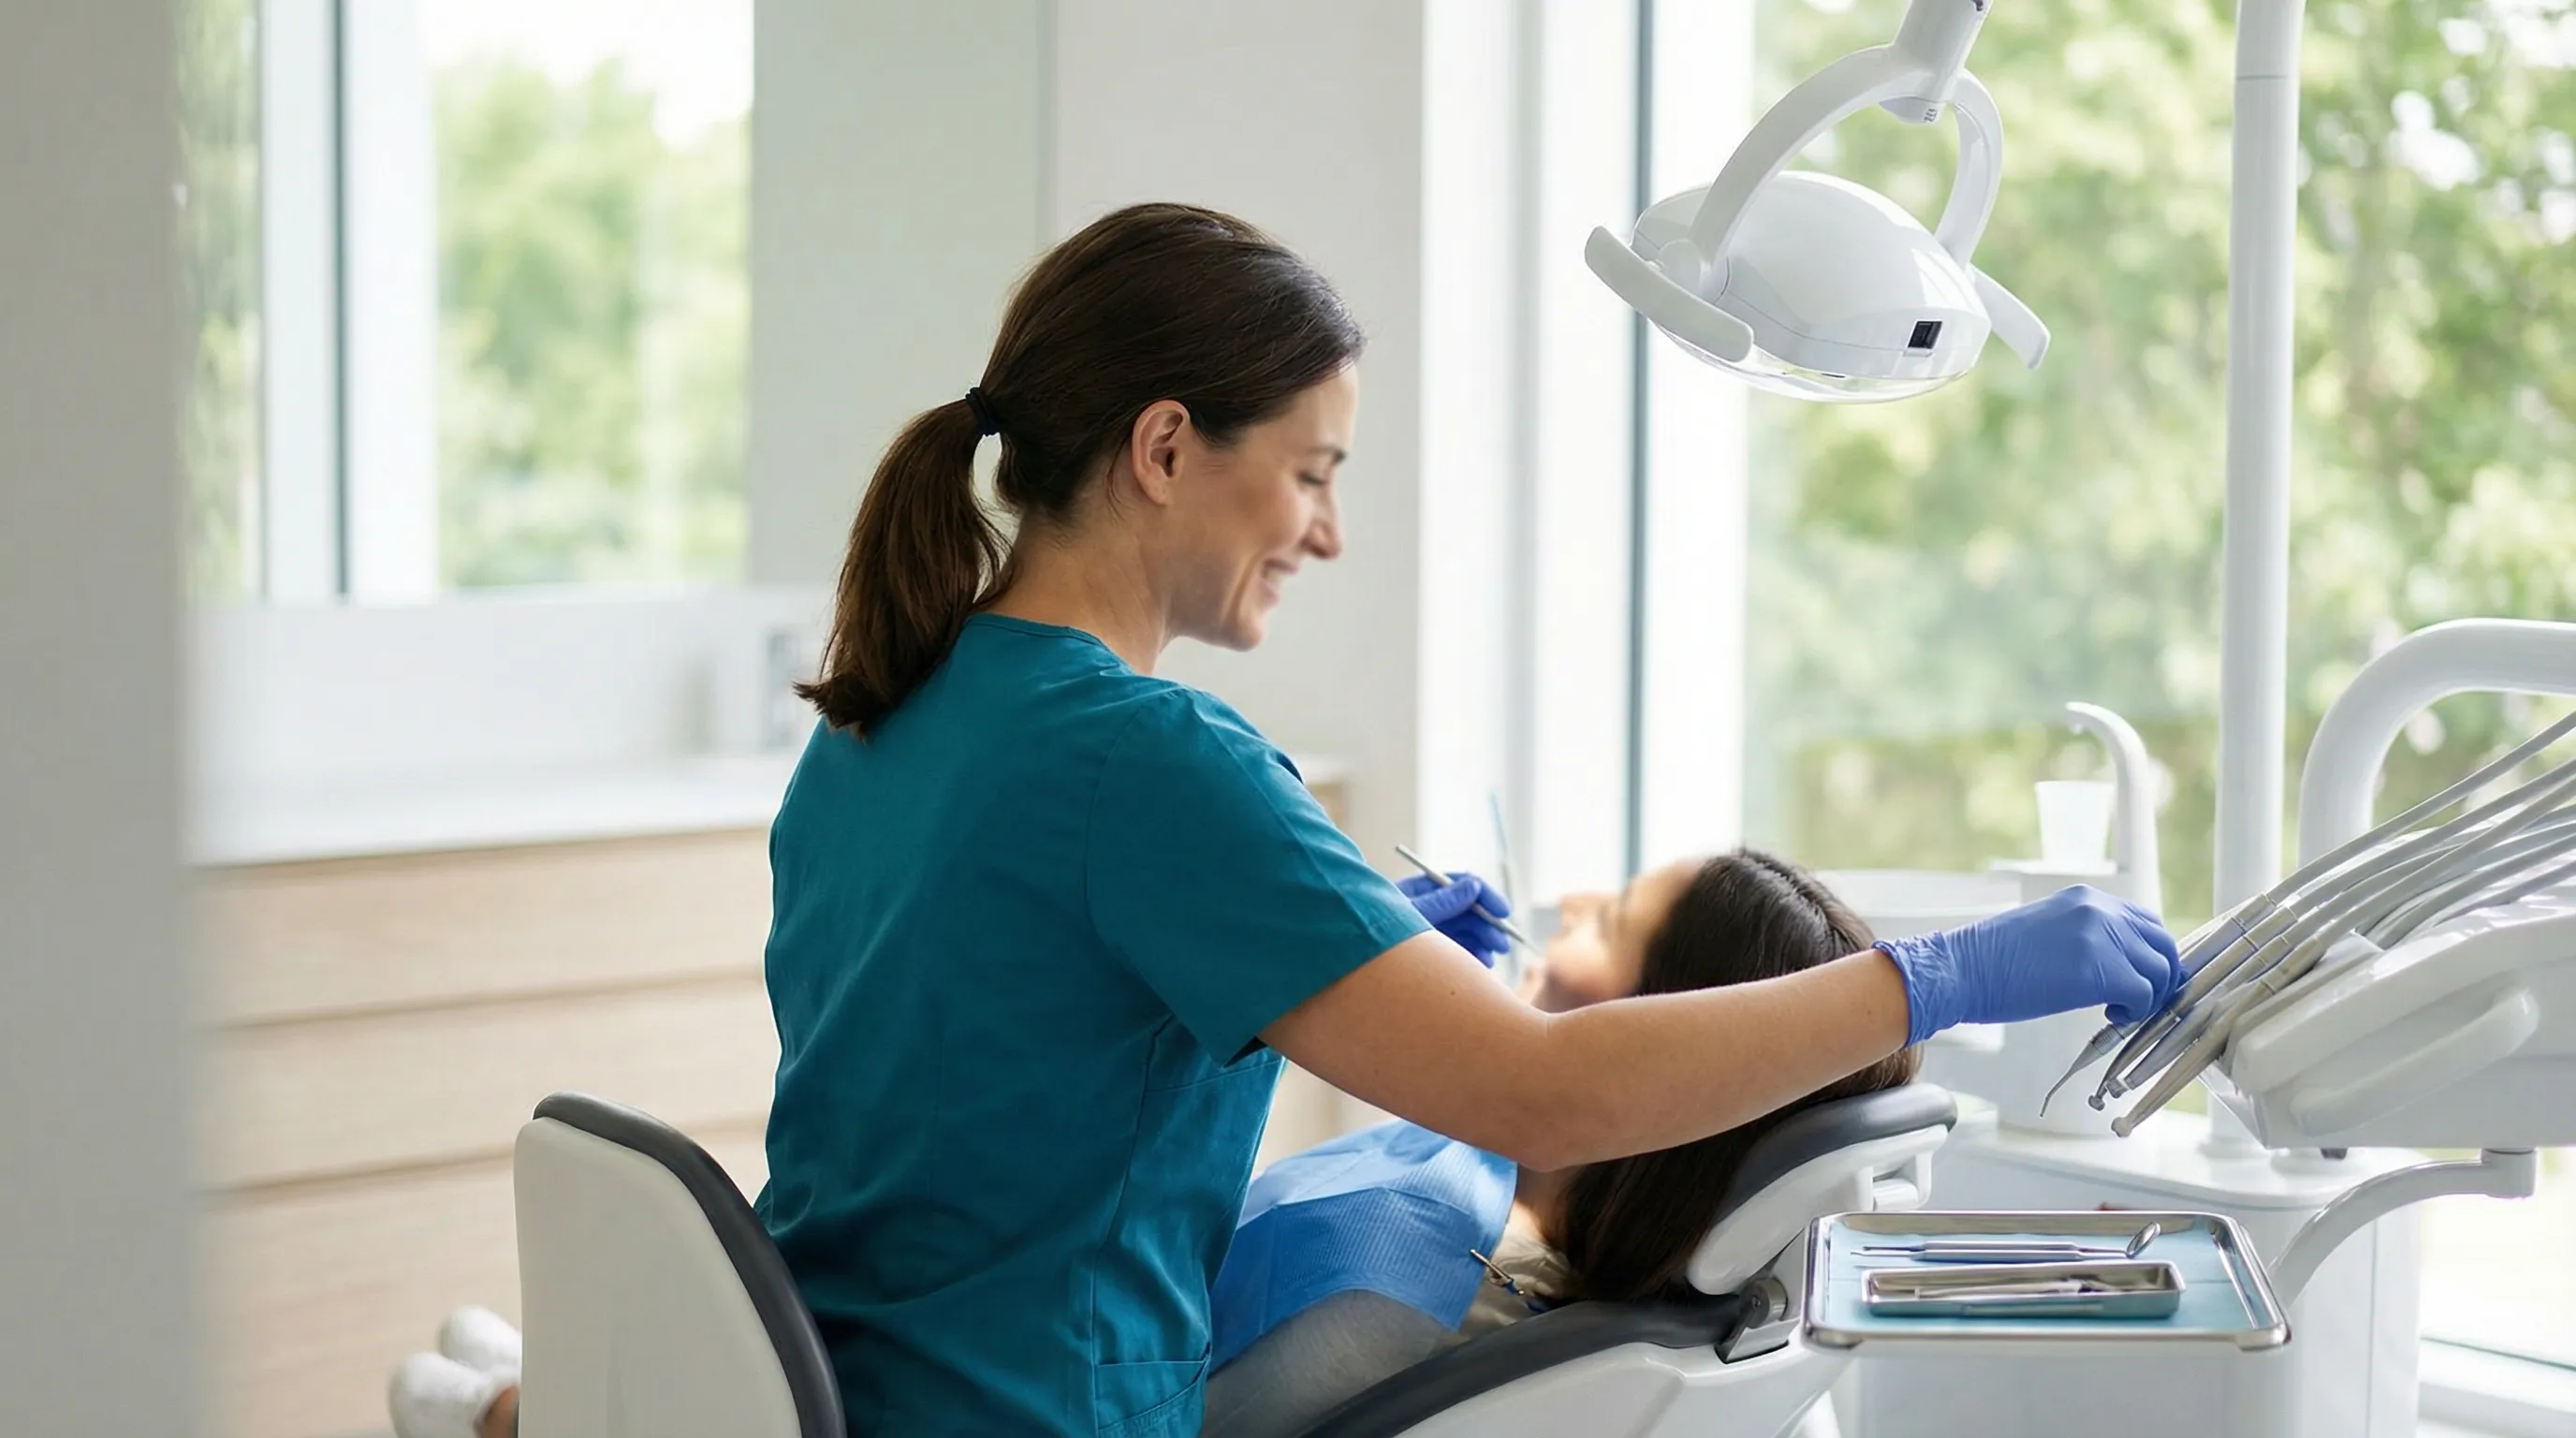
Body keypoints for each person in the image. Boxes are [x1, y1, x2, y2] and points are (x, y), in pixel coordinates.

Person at [396, 201, 2181, 1438]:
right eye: (1312, 469)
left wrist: (1384, 963)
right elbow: (1541, 1093)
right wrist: (1932, 977)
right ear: (1168, 448)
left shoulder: (887, 712)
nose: (1326, 530)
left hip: (840, 1378)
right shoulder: (1151, 762)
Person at [1200, 849, 1921, 1438]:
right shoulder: (1502, 1210)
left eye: (1608, 924)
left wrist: (1258, 1007)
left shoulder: (1384, 1288)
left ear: (1637, 1053)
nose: (1573, 900)